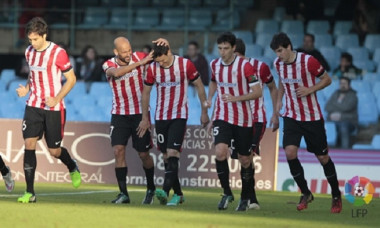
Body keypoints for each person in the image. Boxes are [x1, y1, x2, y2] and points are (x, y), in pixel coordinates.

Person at [270, 32, 342, 213]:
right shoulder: (278, 64)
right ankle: (306, 193)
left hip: (312, 117)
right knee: (290, 152)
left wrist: (310, 89)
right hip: (291, 115)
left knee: (323, 158)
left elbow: (327, 79)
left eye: (280, 51)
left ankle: (335, 195)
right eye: (275, 52)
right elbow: (282, 83)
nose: (278, 55)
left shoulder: (308, 61)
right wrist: (278, 104)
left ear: (288, 47)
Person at [15, 17, 81, 203]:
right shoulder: (29, 51)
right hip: (33, 105)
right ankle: (30, 192)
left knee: (54, 151)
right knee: (29, 144)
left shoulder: (58, 53)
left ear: (44, 35)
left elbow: (72, 79)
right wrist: (27, 89)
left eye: (35, 39)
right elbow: (33, 73)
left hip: (54, 107)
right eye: (30, 40)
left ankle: (72, 166)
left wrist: (57, 99)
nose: (32, 43)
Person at [137, 41, 209, 206]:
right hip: (160, 116)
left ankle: (165, 190)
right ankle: (178, 194)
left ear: (169, 52)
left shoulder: (185, 65)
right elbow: (146, 93)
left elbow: (199, 85)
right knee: (165, 157)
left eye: (162, 60)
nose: (160, 64)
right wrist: (144, 118)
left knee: (172, 153)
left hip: (179, 115)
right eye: (158, 61)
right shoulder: (154, 68)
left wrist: (204, 111)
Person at [206, 32, 262, 211]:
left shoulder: (245, 67)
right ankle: (227, 192)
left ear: (233, 48)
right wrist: (210, 98)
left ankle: (245, 197)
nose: (222, 52)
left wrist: (236, 98)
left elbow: (258, 91)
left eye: (226, 48)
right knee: (220, 152)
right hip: (222, 116)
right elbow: (214, 81)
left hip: (243, 120)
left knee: (245, 160)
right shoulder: (215, 64)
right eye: (220, 48)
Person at [102, 37, 156, 204]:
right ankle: (123, 193)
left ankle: (151, 188)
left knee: (143, 154)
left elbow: (159, 56)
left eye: (129, 50)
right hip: (119, 114)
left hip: (140, 114)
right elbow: (117, 73)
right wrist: (141, 64)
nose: (128, 54)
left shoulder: (140, 56)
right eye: (124, 52)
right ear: (116, 52)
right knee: (118, 150)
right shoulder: (108, 64)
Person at [234, 38, 279, 210]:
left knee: (247, 157)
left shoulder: (260, 67)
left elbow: (273, 88)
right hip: (236, 119)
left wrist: (275, 114)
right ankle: (250, 198)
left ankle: (247, 199)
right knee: (243, 159)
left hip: (255, 119)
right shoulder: (227, 69)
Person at [325, 77, 358, 149]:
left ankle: (345, 150)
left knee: (343, 126)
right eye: (341, 83)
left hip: (349, 121)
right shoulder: (335, 93)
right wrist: (334, 114)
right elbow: (327, 107)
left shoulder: (353, 95)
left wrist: (339, 115)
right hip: (333, 120)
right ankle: (325, 150)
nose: (342, 85)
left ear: (349, 85)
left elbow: (346, 107)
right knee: (325, 126)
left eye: (344, 83)